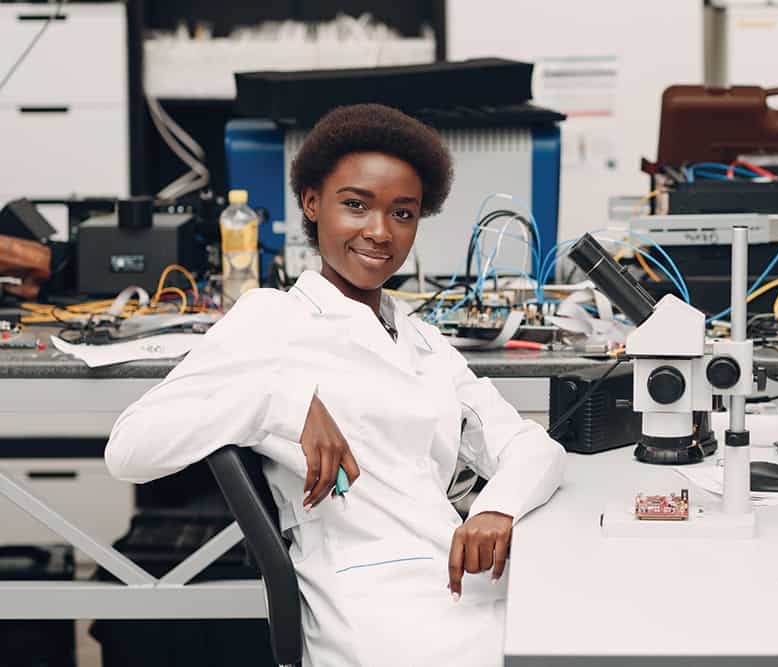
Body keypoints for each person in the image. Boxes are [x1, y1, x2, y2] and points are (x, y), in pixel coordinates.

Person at [104, 103, 567, 666]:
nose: (379, 232)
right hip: (372, 606)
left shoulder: (421, 338)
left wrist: (499, 506)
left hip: (465, 573)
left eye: (403, 213)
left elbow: (531, 445)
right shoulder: (271, 318)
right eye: (356, 205)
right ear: (311, 203)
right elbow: (129, 448)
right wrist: (280, 404)